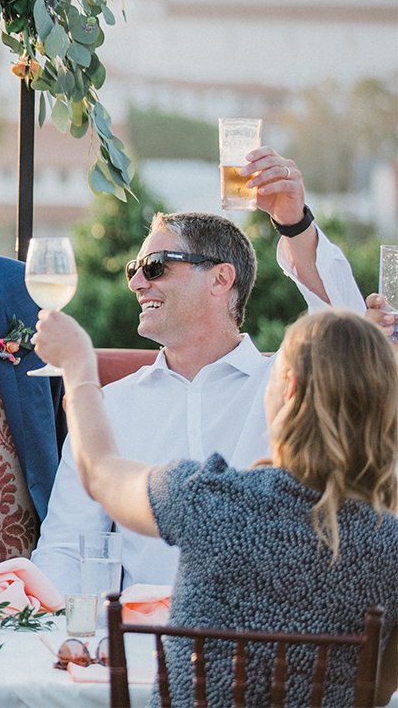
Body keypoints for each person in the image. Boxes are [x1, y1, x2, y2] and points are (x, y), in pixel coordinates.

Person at [31, 148, 365, 592]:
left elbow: (355, 340)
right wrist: (72, 645)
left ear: (220, 279)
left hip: (264, 641)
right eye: (135, 269)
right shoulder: (109, 404)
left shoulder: (288, 386)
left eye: (155, 266)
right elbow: (64, 550)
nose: (135, 282)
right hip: (137, 642)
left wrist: (295, 223)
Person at [34, 307, 398, 707]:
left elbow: (100, 474)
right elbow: (378, 691)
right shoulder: (391, 543)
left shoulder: (208, 499)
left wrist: (79, 368)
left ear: (289, 390)